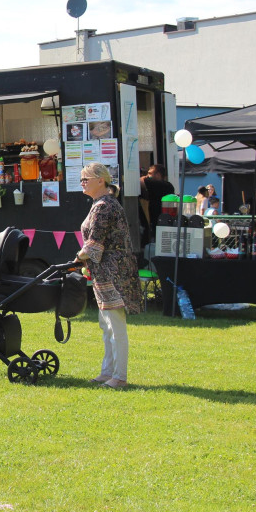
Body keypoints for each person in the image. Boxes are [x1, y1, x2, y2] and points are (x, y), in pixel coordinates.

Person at [78, 162, 143, 389]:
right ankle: (107, 372)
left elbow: (94, 244)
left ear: (100, 180)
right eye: (81, 179)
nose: (82, 183)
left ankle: (120, 377)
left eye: (86, 178)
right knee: (106, 326)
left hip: (113, 272)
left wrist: (79, 257)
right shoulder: (100, 204)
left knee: (116, 327)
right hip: (103, 272)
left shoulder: (105, 206)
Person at [138, 164, 175, 244]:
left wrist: (143, 177)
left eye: (150, 173)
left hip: (163, 221)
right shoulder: (164, 186)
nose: (148, 175)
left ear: (158, 175)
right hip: (158, 221)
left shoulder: (162, 185)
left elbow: (140, 182)